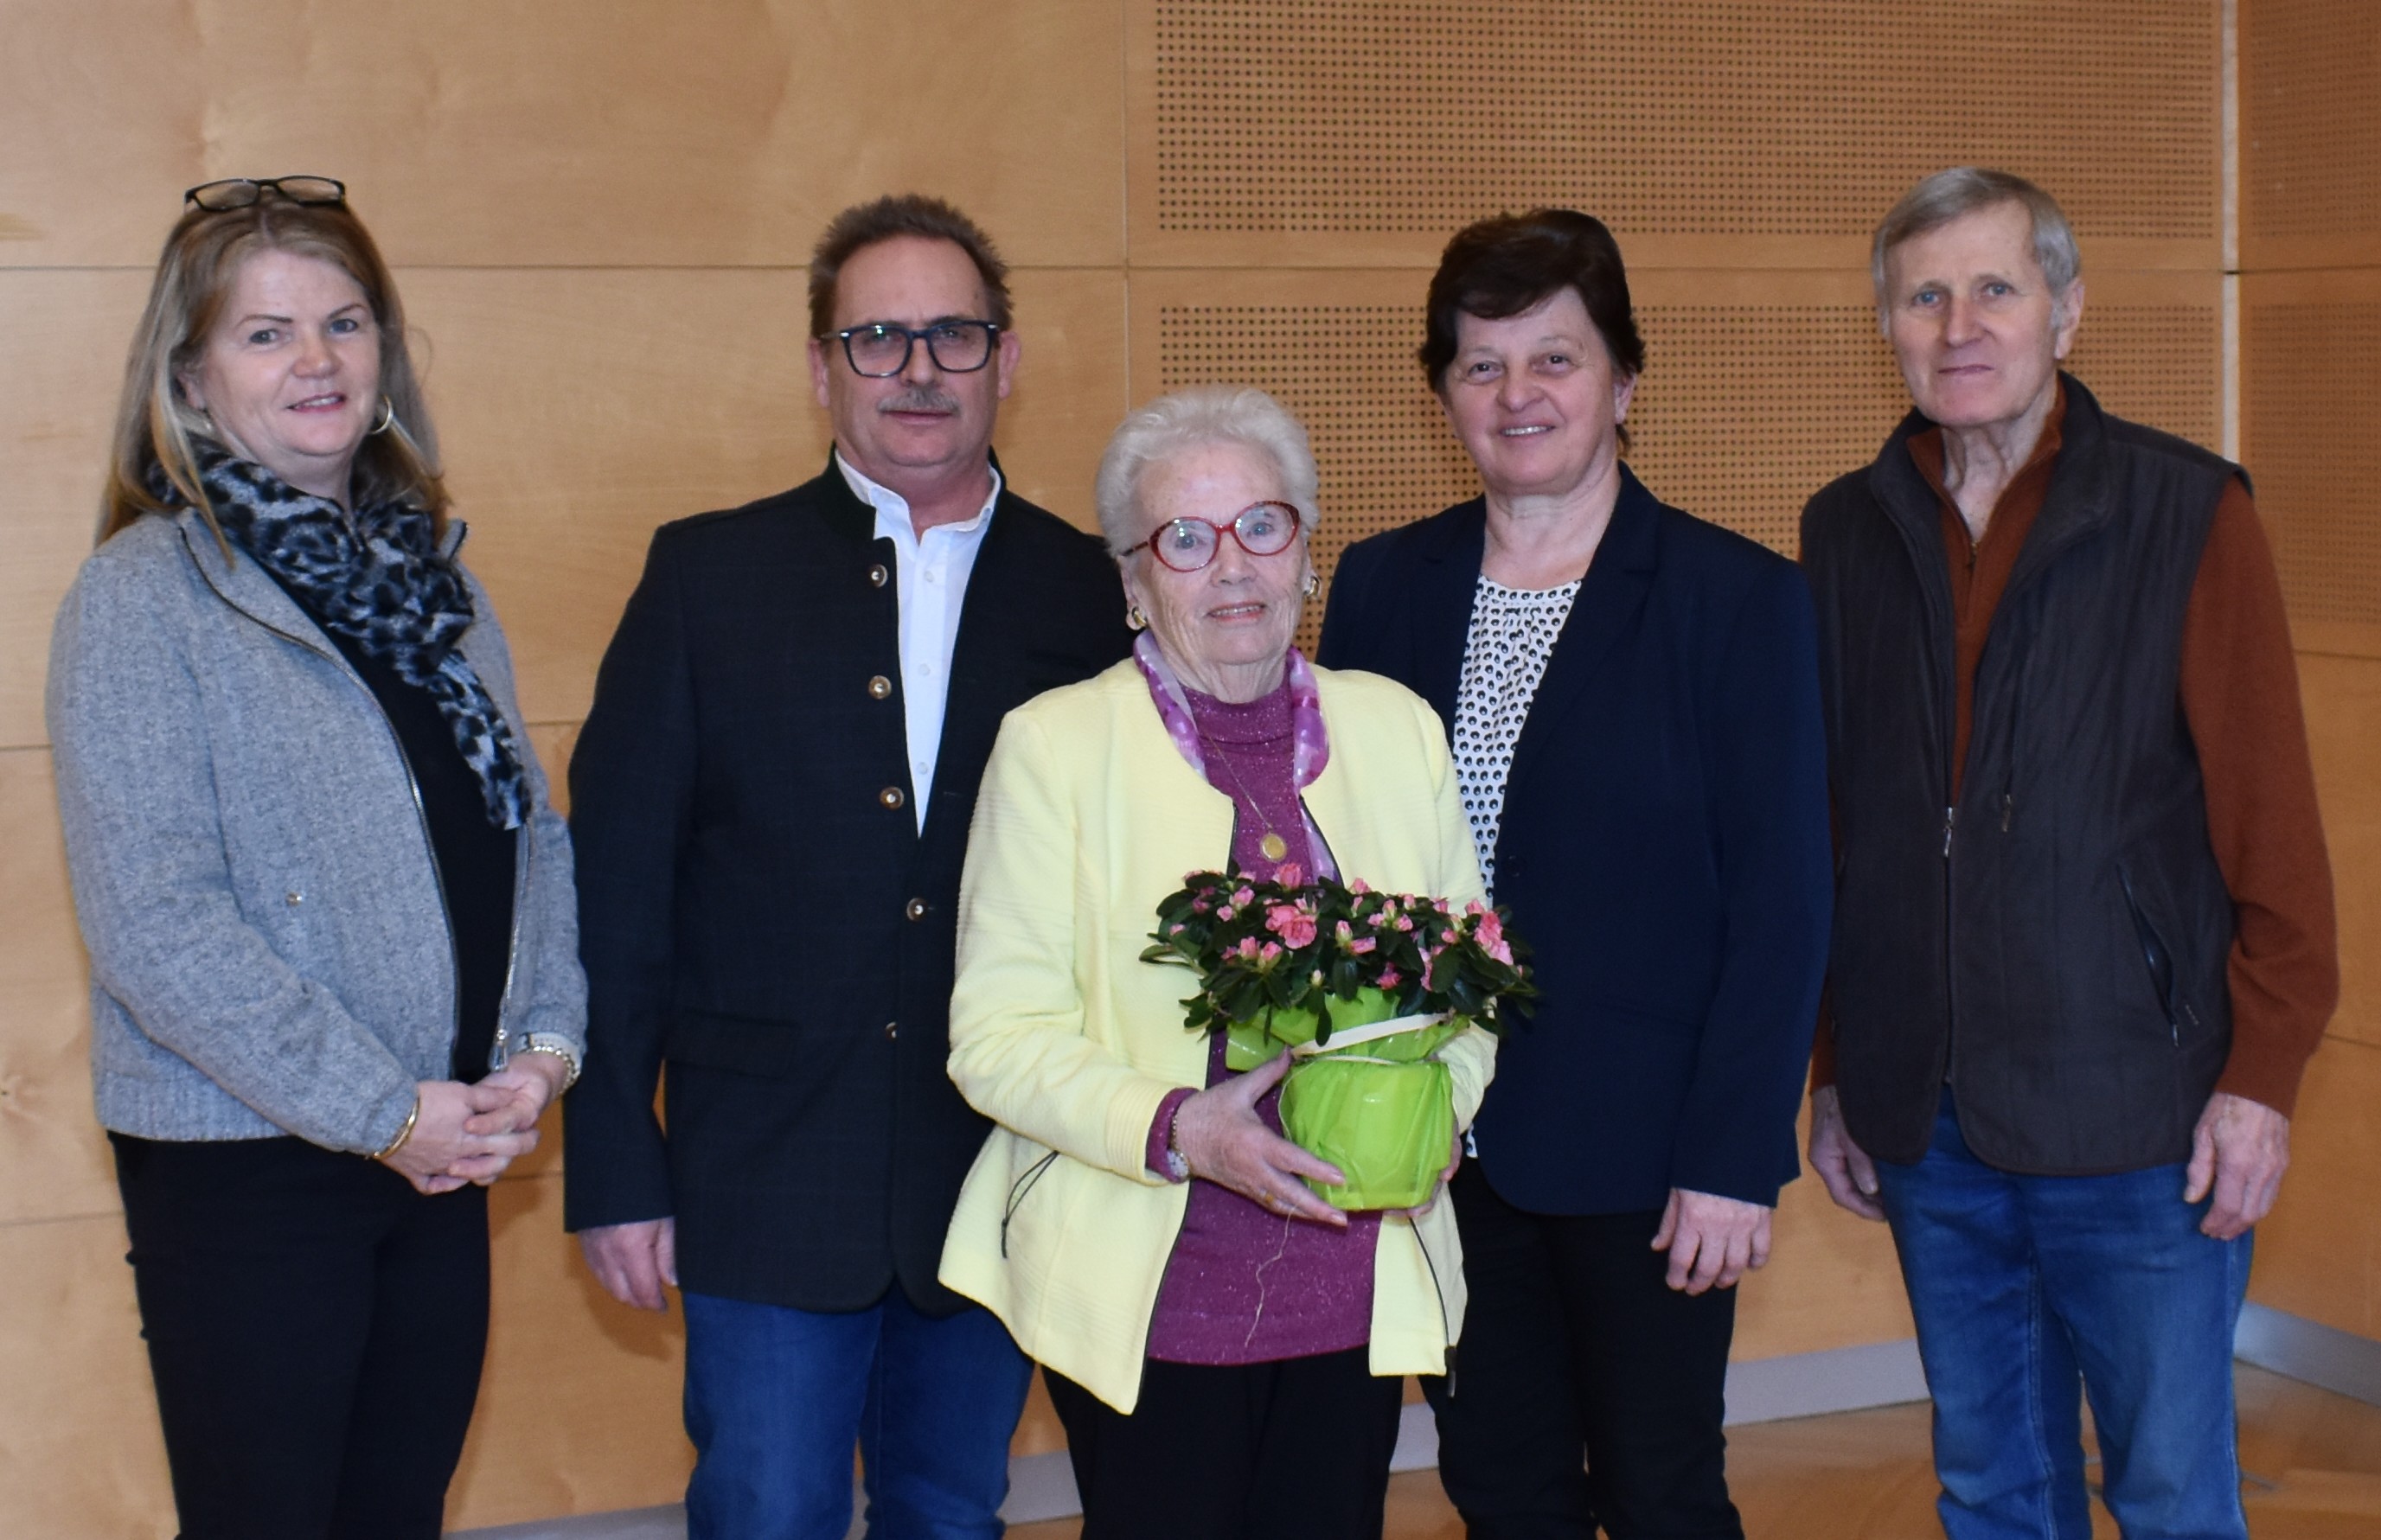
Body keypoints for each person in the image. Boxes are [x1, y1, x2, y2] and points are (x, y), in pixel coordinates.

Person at [562, 193, 1132, 1540]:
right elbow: (616, 894)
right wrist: (614, 1159)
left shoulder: (1090, 592)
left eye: (952, 334)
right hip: (763, 1168)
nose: (917, 369)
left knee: (950, 1511)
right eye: (877, 338)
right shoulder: (707, 577)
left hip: (993, 1163)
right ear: (821, 368)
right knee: (766, 1512)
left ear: (1006, 358)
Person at [1800, 167, 2339, 1539]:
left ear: (2065, 309)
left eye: (1994, 288)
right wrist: (1834, 1063)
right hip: (1927, 1114)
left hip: (2140, 1114)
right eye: (1923, 297)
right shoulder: (1842, 530)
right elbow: (1837, 824)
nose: (1958, 326)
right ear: (1886, 326)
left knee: (2167, 1494)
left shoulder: (2187, 510)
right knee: (1989, 1487)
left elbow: (2272, 824)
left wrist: (2259, 1080)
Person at [45, 176, 585, 1540]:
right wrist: (383, 1111)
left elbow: (529, 838)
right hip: (254, 1167)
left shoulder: (439, 587)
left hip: (443, 1149)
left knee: (396, 1515)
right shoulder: (140, 597)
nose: (318, 360)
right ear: (189, 377)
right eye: (266, 332)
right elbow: (155, 923)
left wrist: (540, 1049)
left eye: (345, 323)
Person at [1316, 209, 1832, 1537]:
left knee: (1663, 1491)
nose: (1518, 395)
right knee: (1498, 1487)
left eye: (1555, 358)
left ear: (1623, 381)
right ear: (1442, 394)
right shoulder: (1382, 586)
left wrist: (1733, 1156)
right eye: (1480, 365)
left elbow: (1782, 904)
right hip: (1436, 1143)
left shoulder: (1738, 599)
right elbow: (1349, 870)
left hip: (1650, 1156)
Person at [938, 384, 1499, 1540]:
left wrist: (1446, 1106)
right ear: (1134, 583)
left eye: (1262, 524)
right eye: (1184, 539)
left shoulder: (1396, 728)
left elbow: (1469, 980)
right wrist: (1183, 1128)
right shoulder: (1053, 747)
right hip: (1155, 1287)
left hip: (1355, 1270)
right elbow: (995, 1037)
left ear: (1306, 552)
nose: (1232, 565)